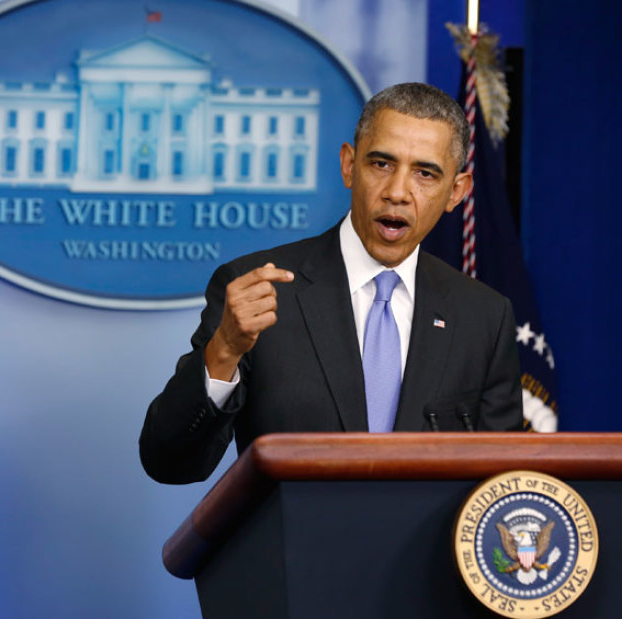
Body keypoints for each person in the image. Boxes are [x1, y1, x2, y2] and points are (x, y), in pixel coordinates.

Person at [140, 83, 523, 484]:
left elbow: (502, 486)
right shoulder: (259, 290)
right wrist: (224, 352)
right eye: (381, 164)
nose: (397, 192)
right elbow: (168, 462)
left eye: (425, 173)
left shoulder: (483, 317)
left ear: (456, 192)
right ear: (348, 165)